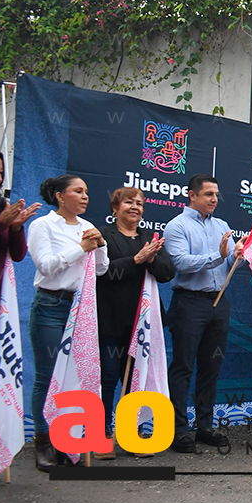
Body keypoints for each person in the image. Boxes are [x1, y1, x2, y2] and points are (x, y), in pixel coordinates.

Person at [27, 174, 109, 470]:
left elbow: (101, 270)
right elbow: (46, 266)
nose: (85, 196)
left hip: (80, 308)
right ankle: (42, 442)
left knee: (74, 379)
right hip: (51, 305)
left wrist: (99, 246)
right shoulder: (42, 225)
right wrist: (81, 248)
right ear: (61, 196)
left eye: (86, 192)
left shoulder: (88, 227)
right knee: (48, 377)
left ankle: (67, 442)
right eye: (78, 191)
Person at [163, 174, 245, 453]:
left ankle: (205, 426)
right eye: (208, 194)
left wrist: (238, 254)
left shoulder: (221, 225)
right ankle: (178, 430)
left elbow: (230, 259)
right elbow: (180, 263)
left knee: (211, 366)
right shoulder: (177, 226)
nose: (214, 199)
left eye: (216, 194)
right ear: (192, 195)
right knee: (183, 366)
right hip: (189, 302)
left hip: (218, 301)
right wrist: (219, 256)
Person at [95, 187, 176, 460]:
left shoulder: (150, 238)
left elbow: (167, 273)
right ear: (115, 207)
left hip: (142, 324)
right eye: (129, 202)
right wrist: (136, 260)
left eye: (140, 204)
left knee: (134, 381)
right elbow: (103, 273)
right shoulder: (104, 236)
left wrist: (151, 259)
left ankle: (132, 435)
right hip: (110, 318)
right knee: (108, 378)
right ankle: (102, 435)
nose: (135, 207)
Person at [0, 146, 38, 367]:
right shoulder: (1, 216)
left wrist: (16, 228)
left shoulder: (0, 207)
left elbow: (18, 255)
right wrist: (1, 223)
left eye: (1, 173)